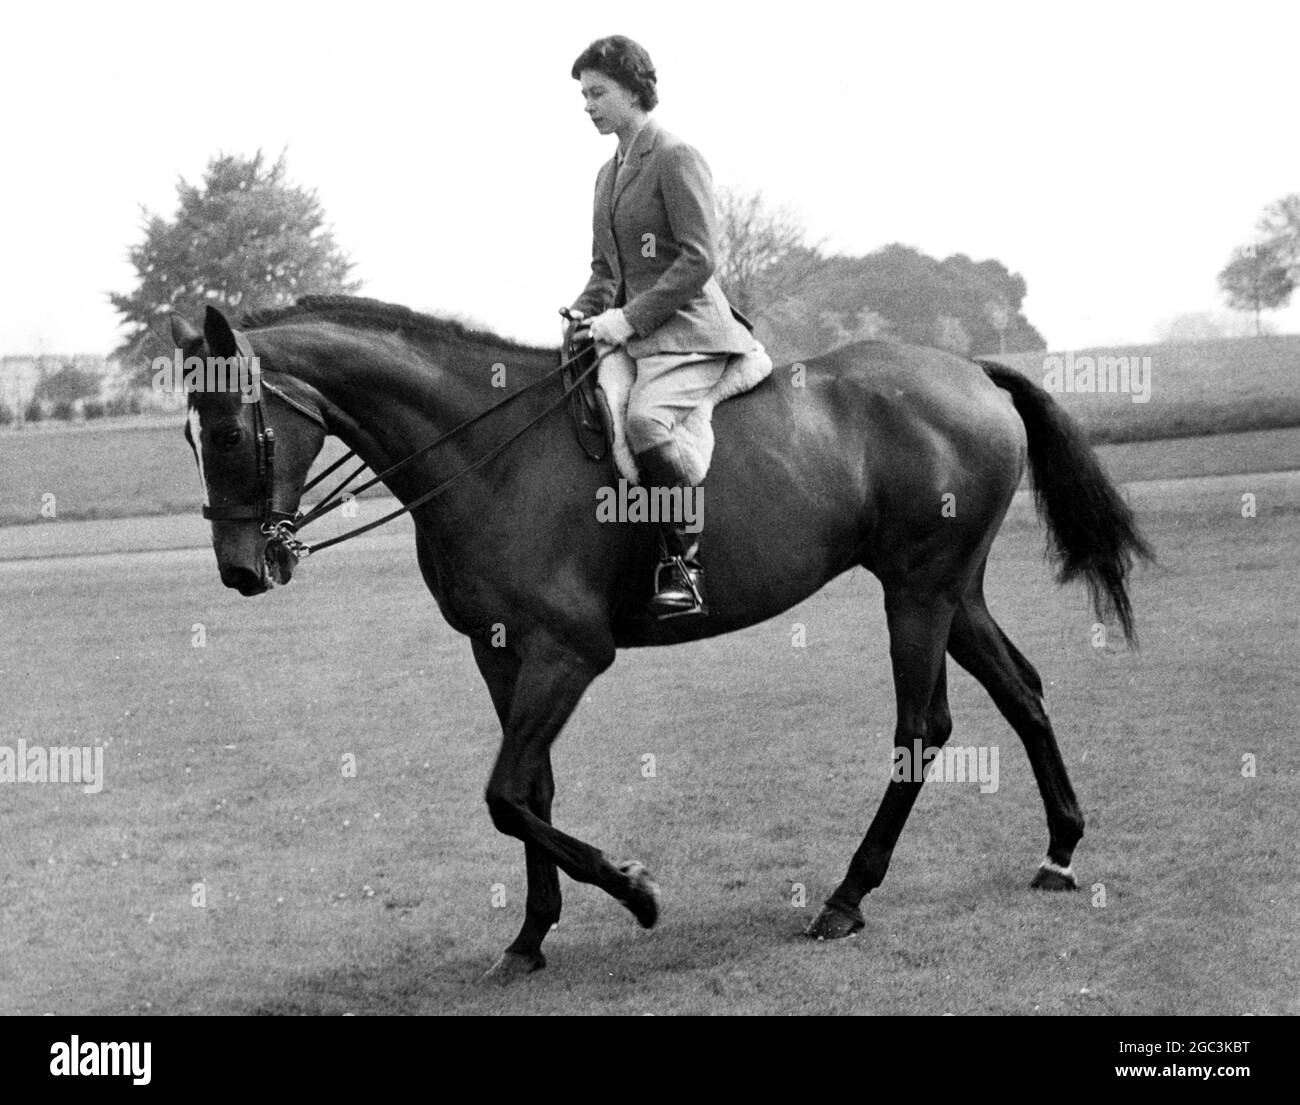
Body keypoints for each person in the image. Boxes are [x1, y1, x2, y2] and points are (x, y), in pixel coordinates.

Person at [568, 34, 771, 619]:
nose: (587, 104)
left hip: (693, 334)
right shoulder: (606, 178)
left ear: (634, 90)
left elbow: (699, 258)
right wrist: (582, 317)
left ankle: (684, 561)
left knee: (645, 421)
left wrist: (628, 319)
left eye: (598, 92)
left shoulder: (676, 157)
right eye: (583, 94)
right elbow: (605, 270)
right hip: (637, 337)